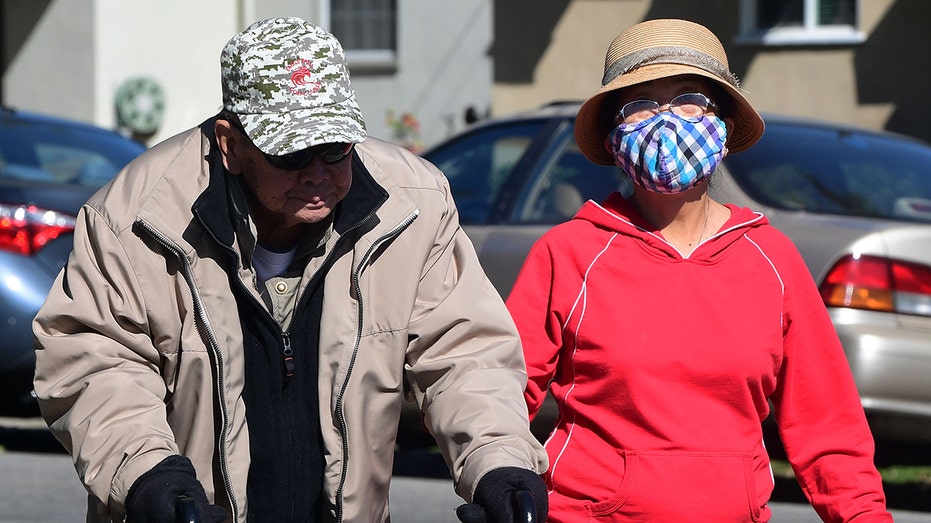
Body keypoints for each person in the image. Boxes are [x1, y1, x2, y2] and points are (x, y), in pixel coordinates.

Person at [32, 17, 547, 523]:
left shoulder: (415, 203)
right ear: (231, 144)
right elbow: (93, 361)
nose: (318, 173)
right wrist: (150, 478)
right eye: (293, 152)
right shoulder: (135, 216)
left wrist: (497, 463)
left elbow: (464, 352)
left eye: (336, 147)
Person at [505, 18, 893, 523]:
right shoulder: (570, 252)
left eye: (690, 100)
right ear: (614, 138)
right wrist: (502, 483)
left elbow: (829, 429)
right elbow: (501, 398)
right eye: (641, 104)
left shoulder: (773, 261)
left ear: (723, 129)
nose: (666, 121)